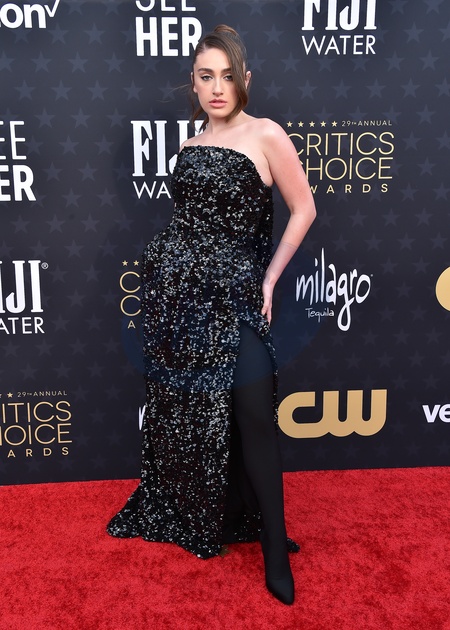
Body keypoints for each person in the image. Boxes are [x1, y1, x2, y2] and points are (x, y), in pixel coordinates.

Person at [107, 24, 316, 606]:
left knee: (254, 414)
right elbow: (186, 226)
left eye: (227, 75)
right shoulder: (188, 146)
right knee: (190, 412)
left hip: (235, 298)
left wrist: (269, 278)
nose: (217, 87)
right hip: (179, 300)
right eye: (206, 76)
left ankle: (274, 550)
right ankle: (203, 510)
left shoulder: (266, 134)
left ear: (245, 80)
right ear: (193, 84)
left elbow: (303, 208)